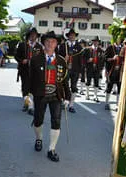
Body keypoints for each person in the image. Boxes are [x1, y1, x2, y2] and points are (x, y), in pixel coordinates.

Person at [29, 31, 71, 162]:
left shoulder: (61, 61)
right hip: (40, 94)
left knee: (56, 121)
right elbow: (30, 79)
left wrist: (68, 97)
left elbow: (65, 81)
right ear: (44, 43)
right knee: (38, 120)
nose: (50, 44)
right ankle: (39, 138)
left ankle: (51, 149)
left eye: (53, 41)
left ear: (56, 43)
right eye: (47, 41)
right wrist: (27, 95)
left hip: (56, 95)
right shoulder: (36, 59)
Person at [15, 27, 43, 115]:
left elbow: (42, 59)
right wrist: (21, 60)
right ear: (29, 36)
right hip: (24, 70)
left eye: (34, 35)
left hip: (35, 72)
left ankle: (30, 107)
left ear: (36, 36)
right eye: (31, 35)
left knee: (32, 89)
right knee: (25, 89)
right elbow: (16, 56)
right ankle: (27, 103)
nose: (33, 36)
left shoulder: (39, 47)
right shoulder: (22, 45)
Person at [59, 28, 83, 113]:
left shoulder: (79, 47)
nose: (72, 36)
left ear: (75, 36)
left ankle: (71, 105)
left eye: (73, 35)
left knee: (73, 87)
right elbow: (58, 58)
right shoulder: (63, 45)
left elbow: (81, 60)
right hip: (65, 69)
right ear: (68, 36)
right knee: (64, 86)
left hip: (75, 70)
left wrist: (80, 72)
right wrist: (63, 59)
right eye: (70, 35)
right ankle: (64, 102)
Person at [104, 40, 123, 110]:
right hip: (111, 70)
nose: (119, 39)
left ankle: (118, 105)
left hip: (120, 71)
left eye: (120, 38)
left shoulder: (124, 48)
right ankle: (106, 103)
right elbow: (105, 58)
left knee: (119, 87)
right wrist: (112, 58)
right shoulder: (110, 47)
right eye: (117, 37)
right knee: (109, 87)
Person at [85, 36, 104, 102]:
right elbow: (83, 59)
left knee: (96, 82)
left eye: (97, 41)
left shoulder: (100, 50)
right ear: (92, 42)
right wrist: (87, 60)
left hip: (97, 68)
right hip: (89, 68)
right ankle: (87, 95)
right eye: (94, 41)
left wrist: (101, 69)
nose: (96, 43)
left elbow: (102, 60)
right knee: (88, 81)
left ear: (98, 42)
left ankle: (95, 96)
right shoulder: (88, 49)